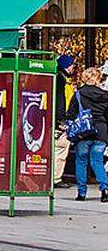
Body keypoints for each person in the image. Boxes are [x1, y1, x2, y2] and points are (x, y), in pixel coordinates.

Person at [64, 66, 108, 202]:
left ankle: (81, 193)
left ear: (85, 78)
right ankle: (105, 188)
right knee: (98, 161)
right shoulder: (105, 96)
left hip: (84, 132)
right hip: (101, 132)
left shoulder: (78, 94)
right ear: (98, 79)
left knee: (81, 161)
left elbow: (71, 114)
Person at [53, 55, 76, 189]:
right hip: (61, 122)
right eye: (72, 64)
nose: (73, 67)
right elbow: (60, 102)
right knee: (60, 150)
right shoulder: (61, 80)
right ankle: (56, 178)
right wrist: (60, 120)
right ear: (67, 65)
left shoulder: (60, 78)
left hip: (58, 120)